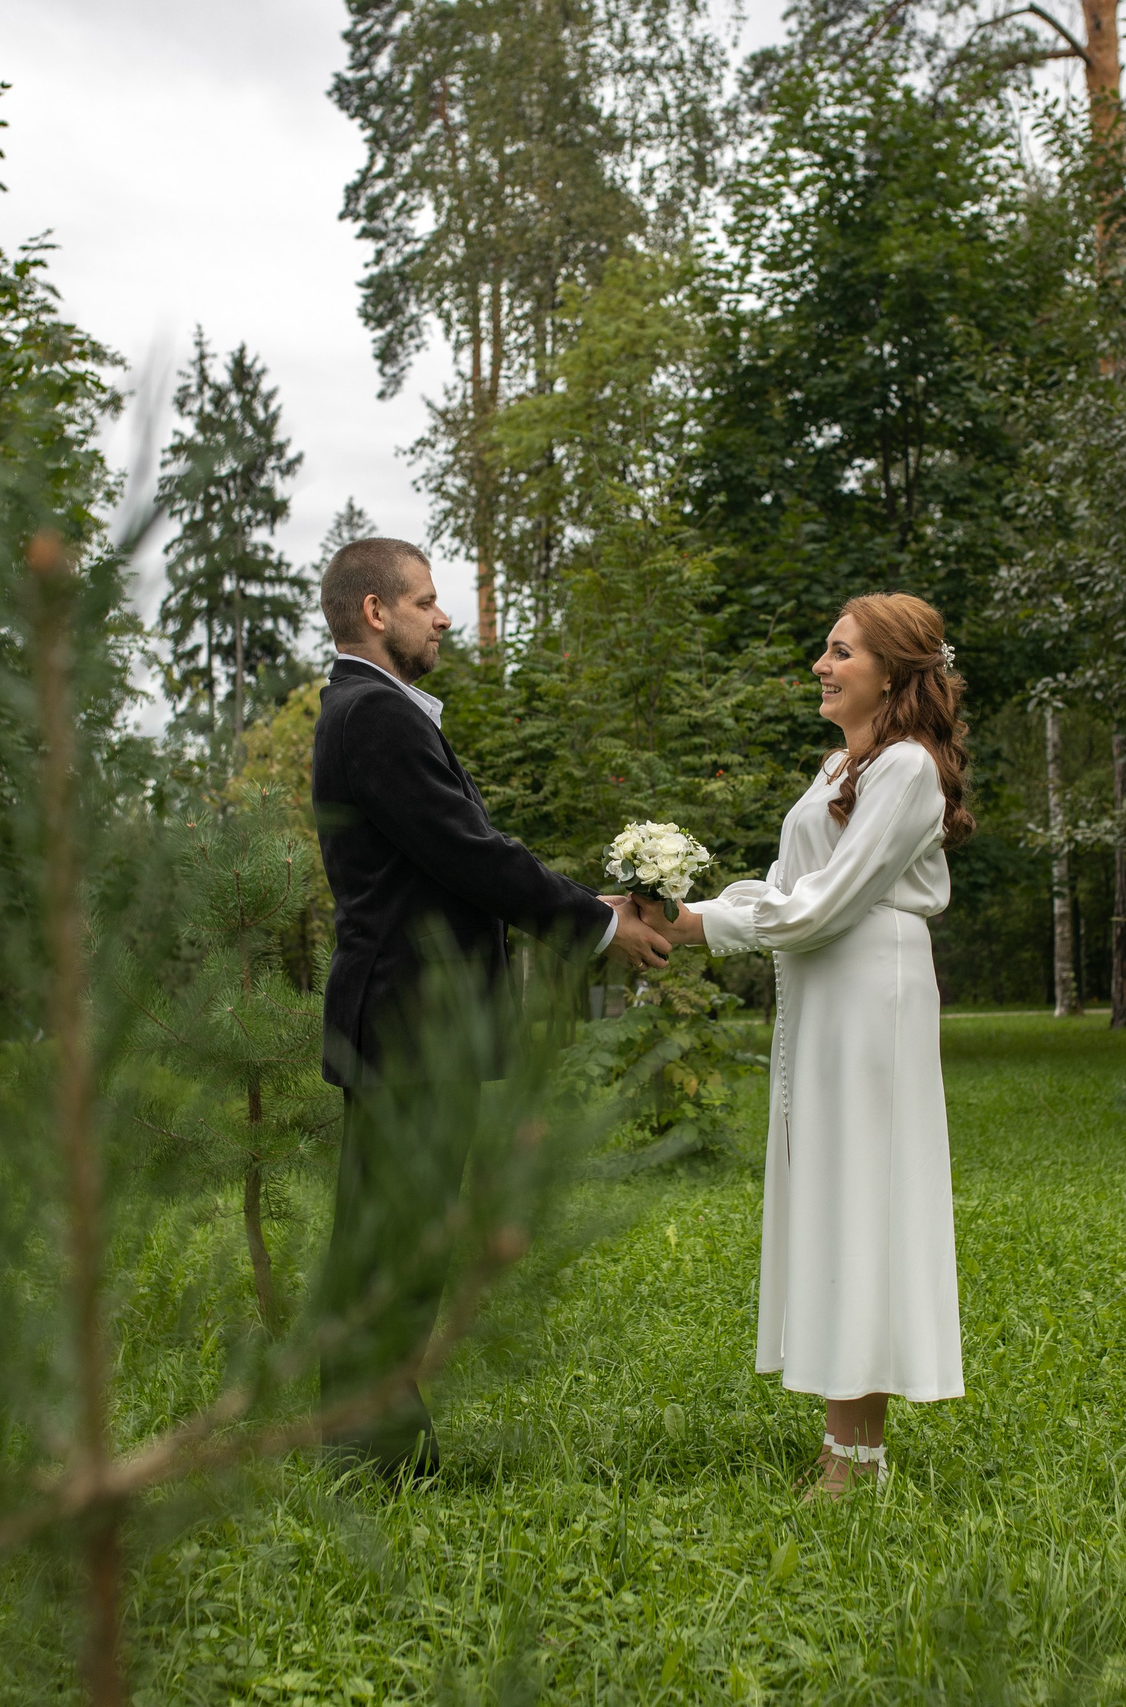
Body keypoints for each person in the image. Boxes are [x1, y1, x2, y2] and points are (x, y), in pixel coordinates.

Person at [308, 536, 671, 1477]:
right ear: (376, 612)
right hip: (411, 1022)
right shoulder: (375, 715)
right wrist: (595, 926)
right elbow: (469, 853)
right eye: (426, 601)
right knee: (399, 1234)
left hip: (405, 1017)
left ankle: (364, 1434)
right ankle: (372, 1450)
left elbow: (456, 858)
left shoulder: (373, 710)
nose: (442, 617)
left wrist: (583, 903)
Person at [638, 592, 970, 1499]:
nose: (821, 665)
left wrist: (700, 931)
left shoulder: (906, 769)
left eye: (840, 651)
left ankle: (858, 1462)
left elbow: (827, 903)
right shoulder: (838, 767)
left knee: (864, 1199)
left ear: (894, 672)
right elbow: (787, 885)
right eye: (824, 650)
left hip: (872, 997)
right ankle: (841, 1443)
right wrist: (676, 911)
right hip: (823, 994)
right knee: (831, 1198)